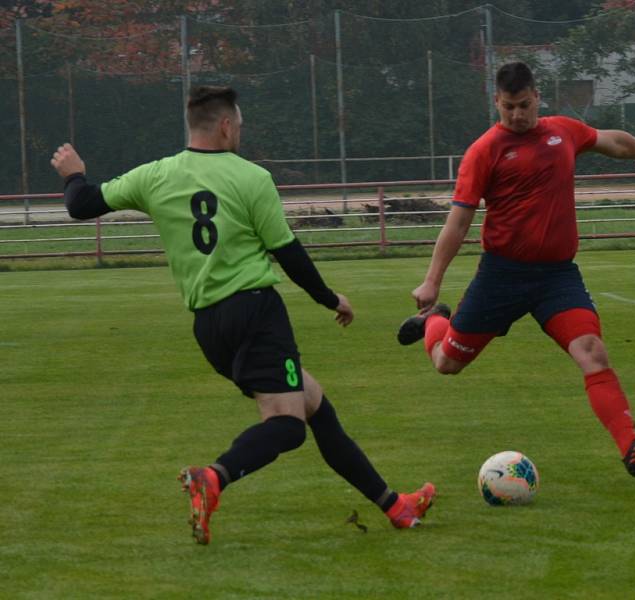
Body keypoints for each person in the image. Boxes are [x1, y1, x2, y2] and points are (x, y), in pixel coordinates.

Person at [51, 85, 435, 545]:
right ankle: (213, 478)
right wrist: (330, 298)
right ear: (227, 126)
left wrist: (75, 174)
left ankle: (395, 506)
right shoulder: (251, 178)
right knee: (288, 425)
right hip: (255, 311)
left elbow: (81, 204)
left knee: (315, 406)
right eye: (241, 126)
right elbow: (287, 251)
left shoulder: (155, 175)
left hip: (209, 327)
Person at [398, 62, 635, 477]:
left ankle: (632, 446)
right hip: (501, 277)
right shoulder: (484, 152)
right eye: (508, 106)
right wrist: (432, 281)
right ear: (496, 101)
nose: (516, 115)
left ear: (536, 97)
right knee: (446, 364)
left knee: (593, 353)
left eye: (524, 105)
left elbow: (610, 141)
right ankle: (435, 322)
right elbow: (458, 222)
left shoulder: (561, 131)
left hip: (556, 277)